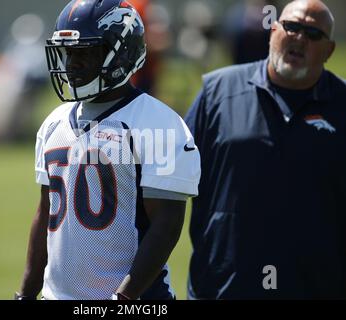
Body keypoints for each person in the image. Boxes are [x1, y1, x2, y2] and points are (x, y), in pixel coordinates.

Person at [17, 0, 200, 300]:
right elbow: (46, 215)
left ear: (121, 53)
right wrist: (25, 294)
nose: (71, 64)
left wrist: (124, 298)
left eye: (84, 53)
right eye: (68, 53)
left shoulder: (159, 123)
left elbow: (166, 225)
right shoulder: (54, 123)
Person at [185, 0, 345, 299]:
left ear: (329, 50)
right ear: (273, 31)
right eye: (292, 27)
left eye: (313, 34)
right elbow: (169, 187)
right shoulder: (217, 93)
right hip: (222, 289)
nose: (299, 38)